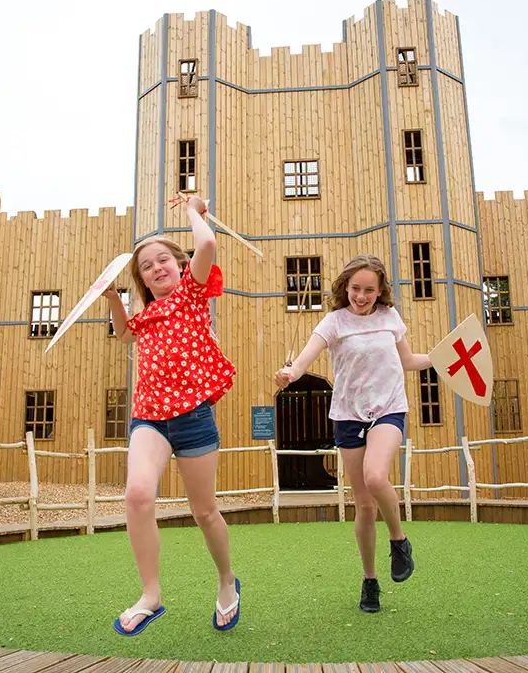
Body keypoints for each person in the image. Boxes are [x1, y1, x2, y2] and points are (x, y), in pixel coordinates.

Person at [105, 194, 240, 635]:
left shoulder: (191, 293)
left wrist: (193, 212)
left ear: (179, 265)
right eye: (146, 266)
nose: (156, 268)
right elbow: (124, 332)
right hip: (150, 417)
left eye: (163, 259)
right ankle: (151, 595)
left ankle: (226, 580)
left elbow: (207, 248)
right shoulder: (148, 314)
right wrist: (113, 297)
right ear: (141, 279)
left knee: (204, 512)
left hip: (193, 418)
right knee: (138, 495)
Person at [275, 254, 432, 613]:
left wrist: (439, 357)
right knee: (362, 505)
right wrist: (288, 375)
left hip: (389, 409)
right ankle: (370, 581)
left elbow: (408, 361)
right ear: (345, 287)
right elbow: (302, 361)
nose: (361, 296)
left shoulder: (390, 317)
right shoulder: (333, 322)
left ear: (381, 292)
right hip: (348, 416)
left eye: (369, 290)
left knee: (376, 476)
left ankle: (399, 539)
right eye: (356, 288)